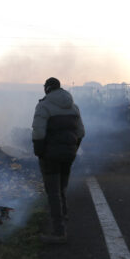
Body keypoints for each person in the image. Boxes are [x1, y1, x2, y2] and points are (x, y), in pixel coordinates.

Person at [32, 77, 85, 244]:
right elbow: (81, 133)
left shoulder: (44, 106)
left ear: (47, 88)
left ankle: (59, 232)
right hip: (69, 154)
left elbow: (38, 133)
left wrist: (39, 153)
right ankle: (64, 214)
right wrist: (74, 149)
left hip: (51, 155)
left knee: (53, 192)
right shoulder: (73, 107)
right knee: (62, 186)